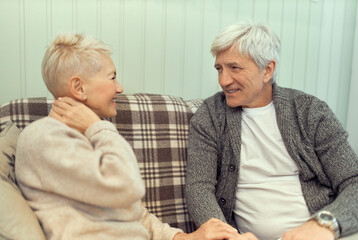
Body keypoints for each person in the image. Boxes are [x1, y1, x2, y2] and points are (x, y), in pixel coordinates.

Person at [15, 33, 244, 240]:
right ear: (79, 87)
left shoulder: (88, 137)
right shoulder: (43, 138)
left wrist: (184, 238)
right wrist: (98, 126)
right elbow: (126, 187)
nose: (120, 87)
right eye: (112, 77)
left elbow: (131, 212)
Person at [185, 21, 358, 240]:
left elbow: (355, 182)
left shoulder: (311, 111)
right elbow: (198, 186)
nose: (223, 80)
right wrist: (226, 235)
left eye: (235, 68)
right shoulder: (210, 115)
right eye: (219, 68)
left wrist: (325, 225)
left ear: (267, 69)